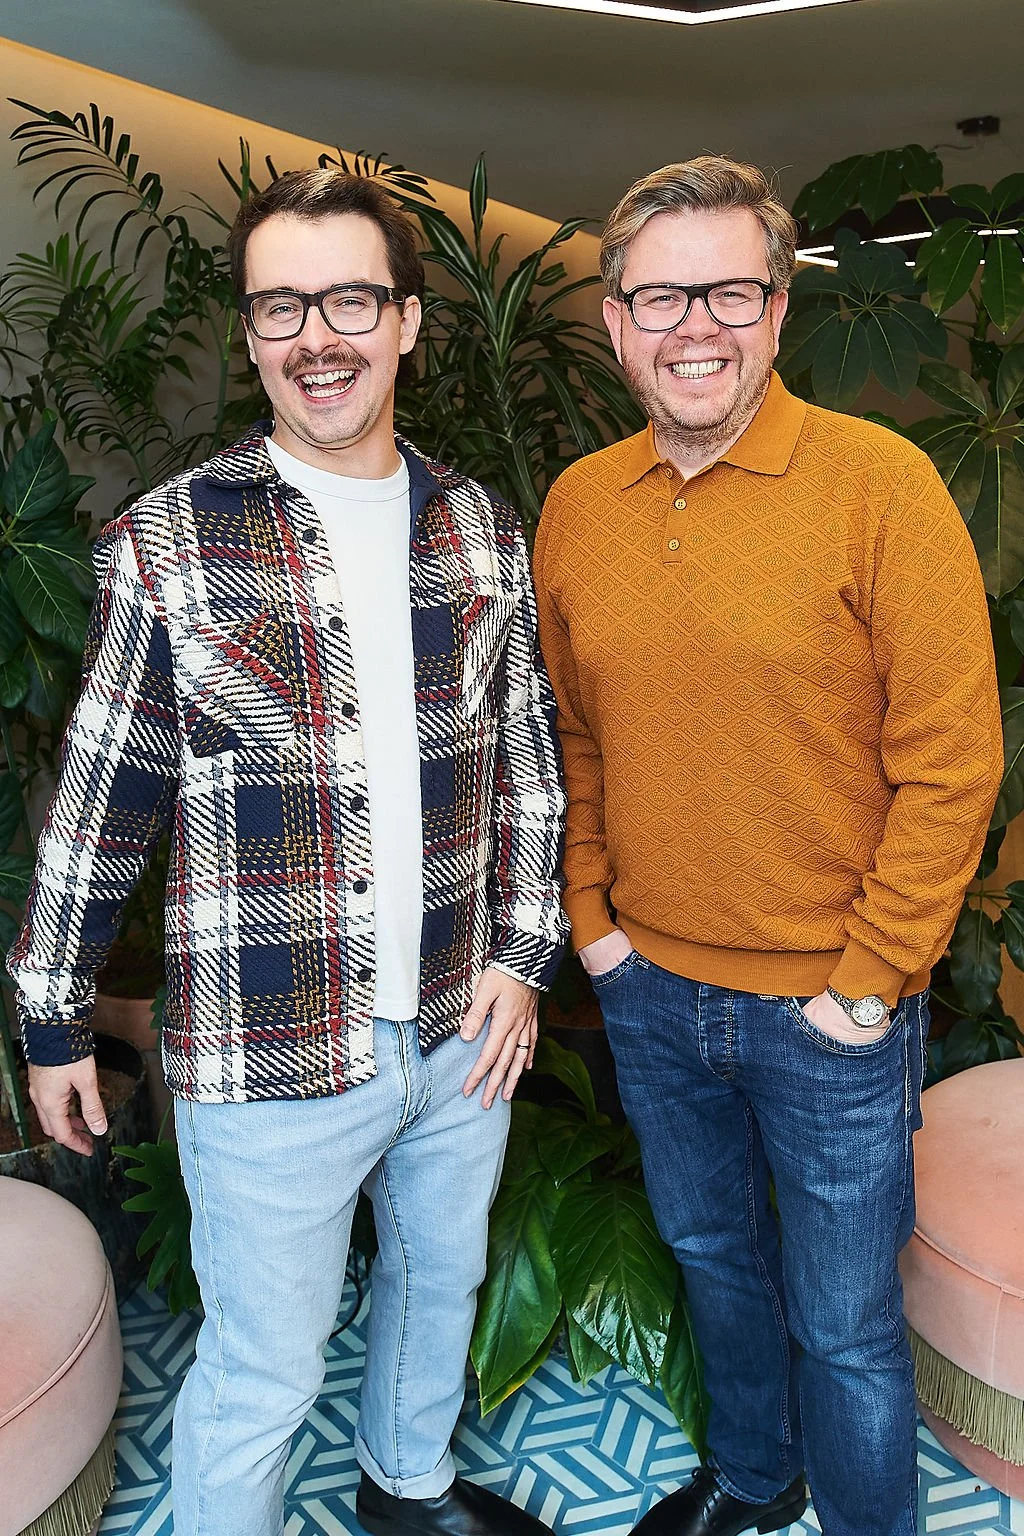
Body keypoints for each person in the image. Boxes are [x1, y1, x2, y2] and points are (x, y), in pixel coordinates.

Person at [10, 169, 568, 1536]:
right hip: (268, 1047)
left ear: (408, 320)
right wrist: (50, 1017)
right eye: (280, 307)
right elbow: (105, 794)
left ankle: (409, 1486)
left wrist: (525, 953)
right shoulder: (171, 541)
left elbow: (532, 765)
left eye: (349, 299)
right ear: (252, 332)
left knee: (440, 1286)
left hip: (457, 1022)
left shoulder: (481, 526)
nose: (317, 336)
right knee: (263, 1371)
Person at [533, 155, 1002, 1536]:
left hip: (829, 1008)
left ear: (779, 310)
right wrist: (595, 924)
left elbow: (953, 763)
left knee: (848, 1323)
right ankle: (754, 1474)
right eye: (662, 294)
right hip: (653, 990)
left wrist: (866, 985)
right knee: (711, 1260)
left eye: (731, 290)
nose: (697, 325)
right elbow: (578, 739)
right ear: (615, 320)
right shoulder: (578, 505)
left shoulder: (881, 485)